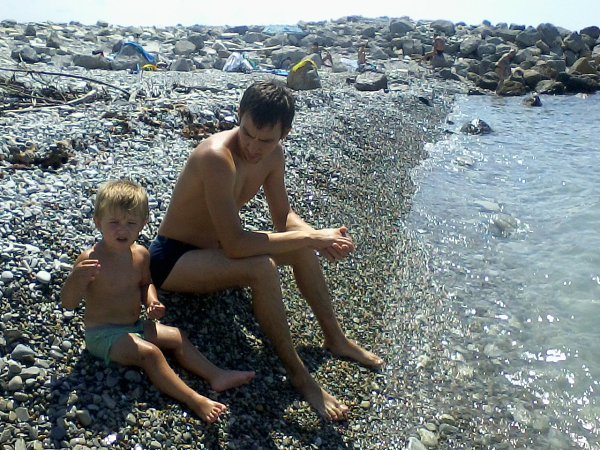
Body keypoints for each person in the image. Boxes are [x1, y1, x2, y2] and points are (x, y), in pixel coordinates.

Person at [149, 80, 384, 421]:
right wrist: (310, 238)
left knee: (301, 246)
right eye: (248, 134)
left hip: (217, 252)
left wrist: (319, 237)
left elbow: (283, 217)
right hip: (175, 259)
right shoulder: (216, 157)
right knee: (263, 266)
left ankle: (336, 338)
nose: (253, 147)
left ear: (284, 134)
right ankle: (300, 376)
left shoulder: (274, 156)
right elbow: (236, 244)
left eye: (266, 140)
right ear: (239, 115)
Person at [61, 180, 255, 424]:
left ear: (143, 224)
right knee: (150, 354)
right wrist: (75, 279)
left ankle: (216, 375)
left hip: (134, 325)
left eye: (131, 223)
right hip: (103, 335)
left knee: (177, 336)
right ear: (98, 222)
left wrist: (152, 301)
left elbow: (145, 284)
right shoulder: (90, 260)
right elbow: (68, 303)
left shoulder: (141, 254)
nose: (122, 230)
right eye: (114, 223)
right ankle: (194, 400)